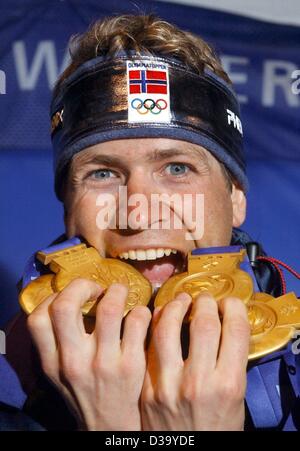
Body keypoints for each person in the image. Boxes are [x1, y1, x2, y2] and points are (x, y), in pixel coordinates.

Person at [2, 14, 298, 431]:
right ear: (67, 202)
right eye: (102, 174)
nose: (137, 213)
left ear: (235, 198)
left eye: (177, 169)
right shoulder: (10, 372)